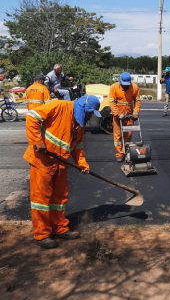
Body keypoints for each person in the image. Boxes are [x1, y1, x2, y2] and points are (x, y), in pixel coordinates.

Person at [23, 95, 101, 249]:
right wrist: (38, 141)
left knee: (60, 198)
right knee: (41, 200)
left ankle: (59, 228)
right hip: (42, 161)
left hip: (60, 162)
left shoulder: (79, 125)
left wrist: (82, 163)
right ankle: (42, 234)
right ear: (82, 108)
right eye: (89, 113)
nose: (89, 116)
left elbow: (77, 147)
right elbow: (31, 117)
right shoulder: (59, 106)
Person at [109, 72, 141, 162]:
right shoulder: (114, 87)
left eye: (127, 85)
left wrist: (136, 111)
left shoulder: (134, 87)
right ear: (120, 81)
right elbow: (112, 102)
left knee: (128, 134)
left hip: (129, 114)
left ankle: (126, 150)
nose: (126, 86)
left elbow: (138, 100)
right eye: (124, 85)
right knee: (118, 135)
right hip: (118, 115)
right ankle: (119, 153)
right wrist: (117, 114)